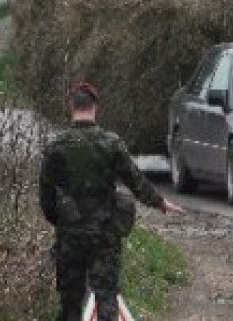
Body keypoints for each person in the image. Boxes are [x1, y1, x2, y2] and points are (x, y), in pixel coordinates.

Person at [39, 81, 185, 321]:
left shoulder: (56, 147)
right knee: (106, 297)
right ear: (95, 106)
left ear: (71, 106)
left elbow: (45, 196)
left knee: (70, 301)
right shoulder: (111, 144)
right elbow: (135, 180)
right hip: (104, 235)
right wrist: (159, 202)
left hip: (70, 235)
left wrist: (60, 222)